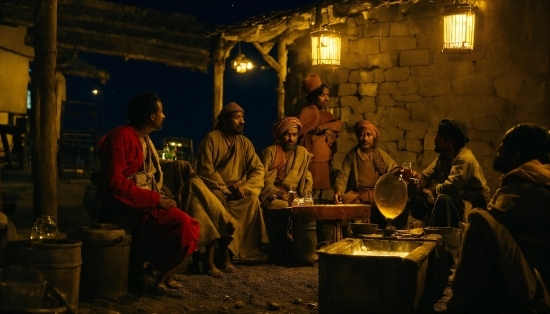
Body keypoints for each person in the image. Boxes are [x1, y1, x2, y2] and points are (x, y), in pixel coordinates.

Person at [95, 92, 199, 297]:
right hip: (125, 205)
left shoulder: (145, 139)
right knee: (184, 224)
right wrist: (155, 200)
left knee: (190, 224)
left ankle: (157, 274)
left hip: (142, 202)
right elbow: (115, 182)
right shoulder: (122, 136)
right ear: (151, 115)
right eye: (161, 112)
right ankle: (157, 276)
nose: (164, 116)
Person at [447, 124, 550, 313]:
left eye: (504, 144)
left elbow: (491, 221)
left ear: (516, 153)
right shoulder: (535, 179)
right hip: (532, 279)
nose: (498, 148)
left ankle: (462, 298)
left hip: (538, 290)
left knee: (478, 220)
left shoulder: (530, 185)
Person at [196, 102, 268, 269]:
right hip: (215, 188)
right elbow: (205, 168)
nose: (242, 121)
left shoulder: (245, 143)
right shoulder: (212, 139)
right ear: (225, 121)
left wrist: (243, 188)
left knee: (251, 200)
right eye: (237, 117)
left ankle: (234, 251)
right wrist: (224, 188)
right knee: (218, 202)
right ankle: (223, 255)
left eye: (243, 118)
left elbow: (258, 169)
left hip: (236, 191)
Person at [407, 119, 490, 227]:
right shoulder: (443, 157)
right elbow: (426, 175)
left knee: (443, 199)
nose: (434, 139)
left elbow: (450, 188)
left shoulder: (464, 159)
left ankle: (441, 235)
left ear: (450, 142)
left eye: (439, 137)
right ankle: (430, 224)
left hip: (473, 205)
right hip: (454, 202)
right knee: (416, 199)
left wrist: (423, 190)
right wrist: (415, 176)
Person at [333, 120, 409, 229]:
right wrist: (339, 190)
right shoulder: (351, 155)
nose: (365, 139)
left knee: (391, 203)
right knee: (344, 201)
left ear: (374, 138)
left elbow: (393, 167)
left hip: (377, 194)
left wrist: (396, 172)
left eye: (369, 135)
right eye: (361, 135)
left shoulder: (380, 154)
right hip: (358, 194)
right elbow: (343, 176)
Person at [297, 73, 342, 244]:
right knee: (311, 195)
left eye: (328, 95)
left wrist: (325, 128)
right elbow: (300, 131)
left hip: (324, 162)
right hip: (312, 161)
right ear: (314, 96)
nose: (327, 98)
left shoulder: (324, 115)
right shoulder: (308, 112)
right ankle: (308, 237)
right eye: (323, 95)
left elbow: (338, 124)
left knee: (324, 197)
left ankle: (324, 238)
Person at [260, 117, 313, 261]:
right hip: (274, 196)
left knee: (307, 208)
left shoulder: (302, 153)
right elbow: (264, 182)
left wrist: (306, 195)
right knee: (281, 207)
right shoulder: (271, 152)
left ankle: (301, 249)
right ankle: (278, 249)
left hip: (296, 196)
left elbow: (307, 178)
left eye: (294, 135)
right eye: (287, 134)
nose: (291, 138)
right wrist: (279, 194)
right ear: (280, 135)